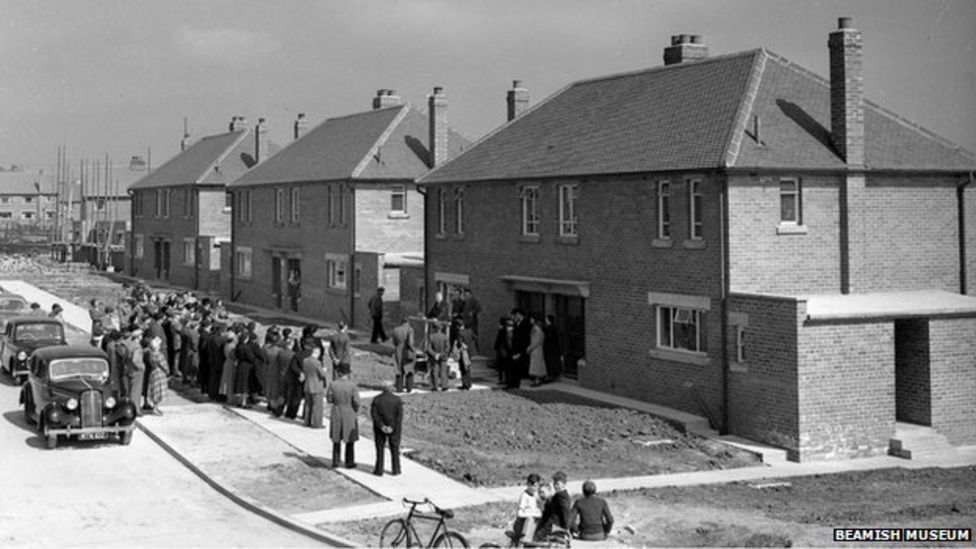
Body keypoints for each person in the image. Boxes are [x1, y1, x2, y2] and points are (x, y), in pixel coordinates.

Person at [327, 363, 361, 468]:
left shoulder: (333, 384)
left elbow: (329, 399)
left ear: (339, 372)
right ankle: (349, 462)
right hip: (349, 412)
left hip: (337, 411)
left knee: (336, 438)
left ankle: (335, 461)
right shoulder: (352, 386)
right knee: (349, 439)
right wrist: (355, 410)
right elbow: (357, 402)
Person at [370, 380, 403, 476]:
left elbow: (374, 415)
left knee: (380, 448)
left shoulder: (376, 399)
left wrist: (381, 426)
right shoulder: (397, 399)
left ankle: (379, 469)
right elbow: (399, 416)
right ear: (391, 387)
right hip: (394, 428)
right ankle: (396, 469)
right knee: (395, 448)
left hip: (380, 428)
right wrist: (392, 426)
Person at [534, 471, 572, 542]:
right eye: (554, 483)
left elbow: (565, 511)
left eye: (557, 484)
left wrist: (566, 527)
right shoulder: (561, 495)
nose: (555, 486)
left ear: (564, 484)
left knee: (536, 539)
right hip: (552, 524)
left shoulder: (560, 496)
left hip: (554, 525)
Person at [302, 344, 329, 429]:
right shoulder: (317, 363)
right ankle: (317, 424)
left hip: (307, 385)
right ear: (318, 353)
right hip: (316, 386)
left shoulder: (305, 360)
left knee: (308, 405)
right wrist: (325, 370)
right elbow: (322, 374)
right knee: (317, 406)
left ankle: (307, 421)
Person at [512, 473, 543, 542]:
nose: (535, 488)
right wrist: (531, 515)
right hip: (522, 524)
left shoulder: (534, 495)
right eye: (533, 486)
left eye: (537, 486)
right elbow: (519, 513)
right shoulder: (524, 496)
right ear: (528, 485)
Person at [146, 335, 170, 416]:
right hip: (159, 373)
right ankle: (155, 408)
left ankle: (155, 407)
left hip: (153, 372)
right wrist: (167, 371)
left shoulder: (151, 354)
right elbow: (164, 365)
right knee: (158, 391)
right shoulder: (159, 355)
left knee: (154, 390)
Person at [390, 316, 415, 393]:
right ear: (408, 322)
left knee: (398, 368)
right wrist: (413, 350)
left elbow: (393, 342)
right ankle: (409, 387)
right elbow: (410, 342)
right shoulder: (410, 329)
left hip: (398, 349)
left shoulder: (395, 329)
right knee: (409, 368)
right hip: (407, 350)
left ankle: (399, 388)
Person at [426, 321, 450, 391]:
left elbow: (429, 348)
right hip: (443, 356)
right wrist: (442, 354)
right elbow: (447, 348)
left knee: (435, 372)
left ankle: (435, 386)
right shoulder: (445, 336)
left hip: (434, 357)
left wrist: (435, 354)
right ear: (441, 328)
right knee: (443, 371)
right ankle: (444, 386)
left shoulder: (431, 337)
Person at [509, 309, 531, 389]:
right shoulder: (517, 323)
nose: (515, 317)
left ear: (519, 314)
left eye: (516, 315)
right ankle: (512, 384)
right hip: (515, 349)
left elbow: (525, 339)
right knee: (513, 367)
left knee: (517, 368)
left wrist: (520, 353)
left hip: (520, 350)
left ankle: (515, 384)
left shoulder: (525, 324)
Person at [493, 316, 514, 387]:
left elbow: (499, 340)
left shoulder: (502, 331)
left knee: (502, 366)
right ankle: (505, 379)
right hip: (506, 350)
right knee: (505, 366)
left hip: (503, 350)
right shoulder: (506, 331)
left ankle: (503, 379)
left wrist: (497, 347)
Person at [527, 315, 547, 386]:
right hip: (538, 349)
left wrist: (530, 348)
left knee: (536, 366)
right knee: (538, 365)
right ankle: (538, 379)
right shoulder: (539, 329)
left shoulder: (536, 329)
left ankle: (537, 380)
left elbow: (535, 341)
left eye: (531, 319)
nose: (530, 320)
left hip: (536, 350)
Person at [460, 288, 481, 354]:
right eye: (465, 294)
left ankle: (476, 351)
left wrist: (472, 312)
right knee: (466, 337)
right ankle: (468, 351)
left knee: (473, 337)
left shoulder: (473, 301)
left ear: (470, 294)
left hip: (472, 323)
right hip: (466, 323)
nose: (466, 296)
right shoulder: (465, 302)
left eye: (467, 294)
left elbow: (479, 308)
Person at [543, 314, 563, 383]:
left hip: (550, 349)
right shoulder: (553, 328)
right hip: (553, 348)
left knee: (550, 362)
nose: (545, 320)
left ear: (548, 320)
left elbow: (547, 338)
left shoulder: (549, 329)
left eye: (546, 319)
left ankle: (550, 376)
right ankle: (551, 375)